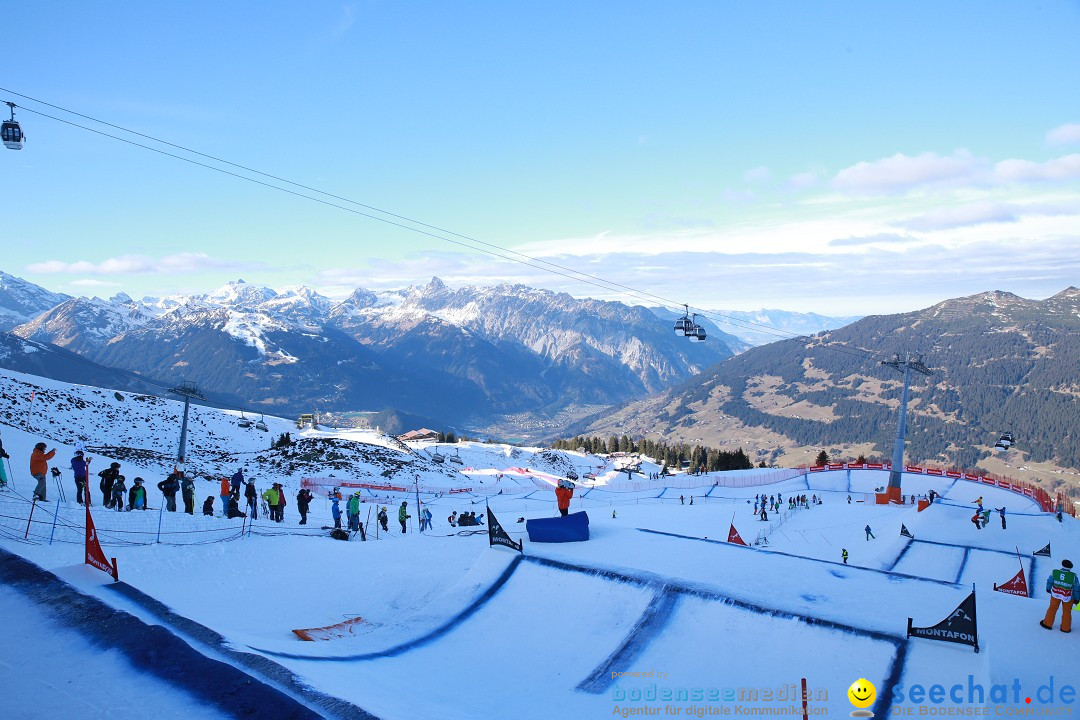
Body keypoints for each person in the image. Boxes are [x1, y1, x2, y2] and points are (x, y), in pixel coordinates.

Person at [1040, 559, 1078, 633]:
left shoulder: (1055, 572)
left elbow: (1050, 581)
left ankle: (1047, 623)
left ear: (1062, 565)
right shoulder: (1073, 576)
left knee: (1052, 608)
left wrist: (1048, 588)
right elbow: (1076, 589)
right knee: (1067, 611)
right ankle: (1065, 628)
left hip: (1056, 594)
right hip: (1068, 596)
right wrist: (1077, 598)